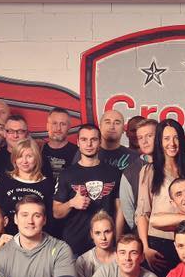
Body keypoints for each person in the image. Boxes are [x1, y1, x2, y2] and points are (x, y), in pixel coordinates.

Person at [53, 124, 122, 257]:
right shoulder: (67, 174)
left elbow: (120, 210)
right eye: (84, 139)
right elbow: (56, 212)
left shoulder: (114, 173)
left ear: (100, 142)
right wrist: (71, 203)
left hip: (105, 244)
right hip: (75, 245)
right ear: (78, 143)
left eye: (93, 139)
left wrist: (117, 241)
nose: (89, 144)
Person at [136, 119, 185, 277]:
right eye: (166, 138)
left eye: (176, 138)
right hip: (158, 242)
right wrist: (145, 248)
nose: (172, 143)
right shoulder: (149, 171)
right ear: (159, 142)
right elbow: (142, 213)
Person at [0, 138, 55, 236]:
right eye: (20, 156)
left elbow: (50, 219)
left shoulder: (47, 185)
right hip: (8, 237)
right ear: (14, 159)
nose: (24, 161)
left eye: (29, 156)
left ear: (36, 158)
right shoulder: (4, 181)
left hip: (37, 238)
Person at [119, 117, 157, 232]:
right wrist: (139, 232)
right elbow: (128, 209)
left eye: (149, 136)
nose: (144, 141)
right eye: (140, 137)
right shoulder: (130, 172)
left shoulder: (173, 165)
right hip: (144, 234)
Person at [75, 211, 117, 277]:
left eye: (107, 232)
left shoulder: (122, 258)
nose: (103, 238)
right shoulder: (83, 261)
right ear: (92, 234)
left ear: (113, 231)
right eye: (98, 233)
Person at [40, 107, 79, 178]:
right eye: (54, 123)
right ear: (47, 126)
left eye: (63, 124)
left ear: (69, 127)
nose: (58, 128)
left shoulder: (78, 153)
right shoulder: (38, 150)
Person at [98, 108, 140, 173]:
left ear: (123, 129)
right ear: (100, 126)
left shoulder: (134, 158)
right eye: (107, 122)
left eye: (117, 123)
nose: (112, 127)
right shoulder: (86, 154)